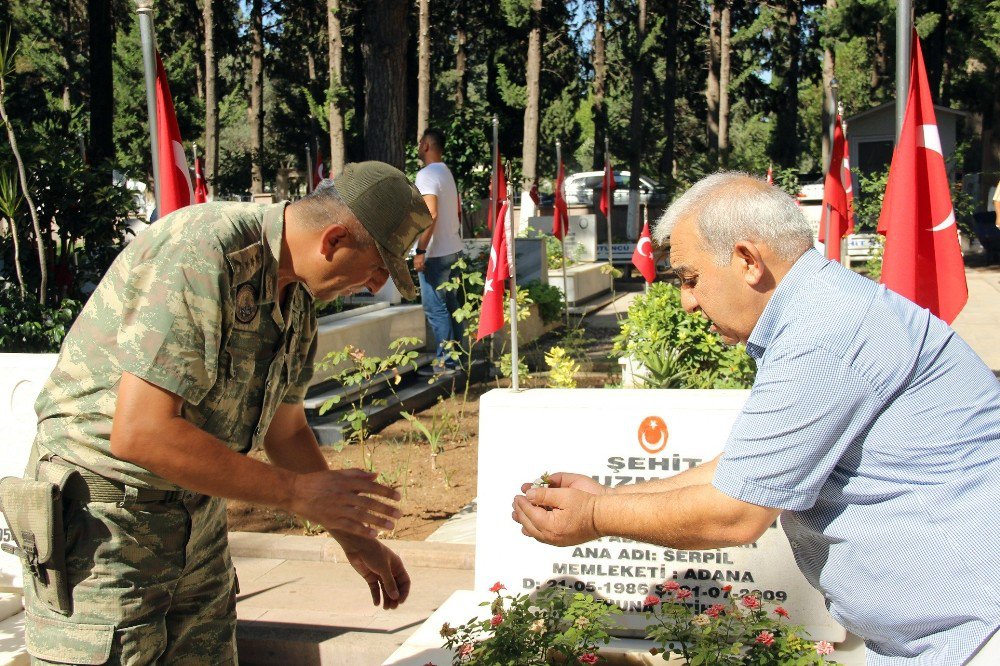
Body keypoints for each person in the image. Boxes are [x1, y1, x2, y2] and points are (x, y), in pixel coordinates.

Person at [512, 172, 1000, 665]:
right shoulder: (822, 312)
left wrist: (595, 517)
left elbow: (736, 512)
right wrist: (612, 498)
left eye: (689, 277)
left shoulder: (825, 331)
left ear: (747, 260)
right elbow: (747, 471)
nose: (687, 300)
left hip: (971, 632)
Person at [10, 162, 431, 664]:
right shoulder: (204, 252)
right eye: (377, 266)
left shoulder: (295, 297)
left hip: (196, 525)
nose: (373, 285)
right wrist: (297, 494)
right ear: (334, 239)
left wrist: (351, 536)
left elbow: (287, 429)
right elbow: (141, 433)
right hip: (103, 534)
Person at [414, 127, 465, 374]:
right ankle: (457, 359)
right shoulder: (445, 172)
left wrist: (420, 249)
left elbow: (430, 213)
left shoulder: (426, 175)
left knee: (436, 308)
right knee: (452, 305)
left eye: (420, 142)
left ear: (426, 145)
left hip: (435, 253)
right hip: (453, 249)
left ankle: (446, 363)